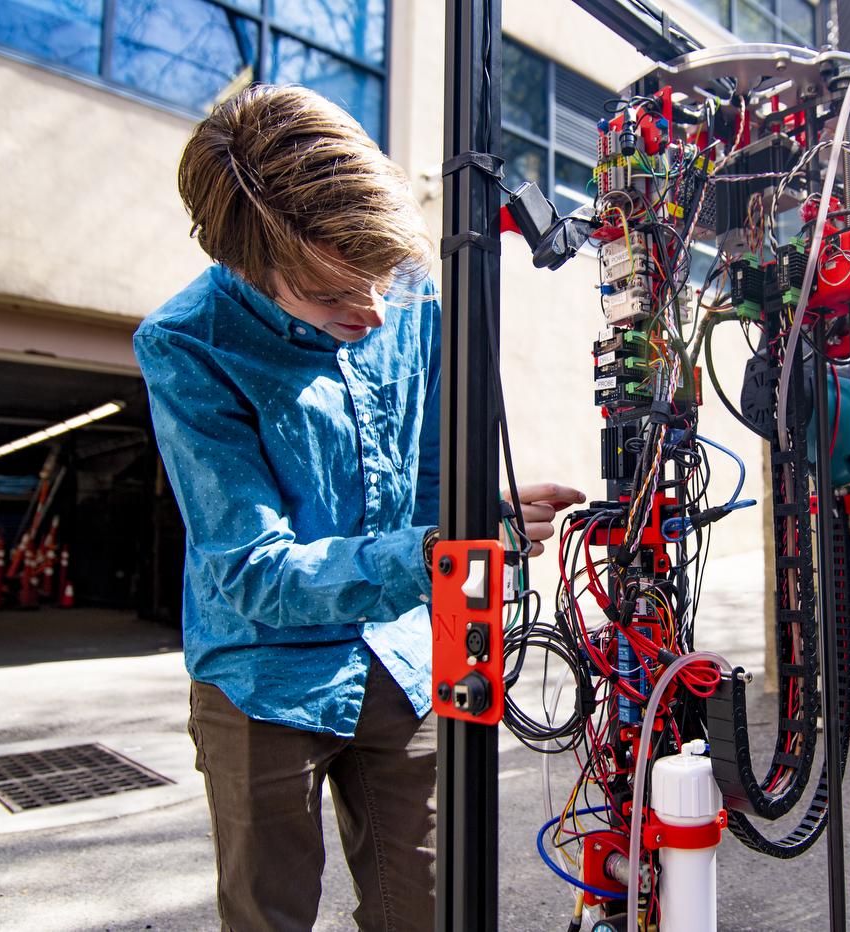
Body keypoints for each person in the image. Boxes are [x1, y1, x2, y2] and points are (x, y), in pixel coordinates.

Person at [134, 84, 583, 932]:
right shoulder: (187, 343)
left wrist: (479, 527)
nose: (375, 310)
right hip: (262, 684)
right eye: (331, 295)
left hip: (410, 658)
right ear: (245, 266)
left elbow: (428, 489)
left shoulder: (407, 286)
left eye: (378, 278)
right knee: (268, 916)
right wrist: (434, 552)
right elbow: (251, 573)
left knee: (429, 910)